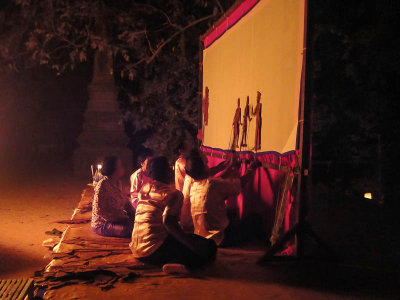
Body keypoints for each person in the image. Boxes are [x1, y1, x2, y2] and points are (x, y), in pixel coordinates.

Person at [130, 156, 217, 274]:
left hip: (136, 249)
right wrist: (191, 245)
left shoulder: (144, 189)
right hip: (155, 250)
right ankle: (182, 264)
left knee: (190, 239)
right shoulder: (173, 194)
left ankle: (176, 259)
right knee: (209, 247)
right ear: (167, 171)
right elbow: (169, 222)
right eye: (169, 168)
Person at [183, 154, 260, 245]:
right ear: (204, 169)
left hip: (201, 237)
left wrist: (231, 167)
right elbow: (241, 183)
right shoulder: (212, 184)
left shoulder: (194, 186)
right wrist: (252, 168)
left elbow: (218, 181)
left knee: (233, 213)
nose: (208, 165)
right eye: (206, 164)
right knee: (255, 219)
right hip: (219, 239)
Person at [92, 156, 135, 238]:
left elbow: (125, 202)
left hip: (118, 219)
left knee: (137, 224)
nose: (123, 168)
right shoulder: (102, 186)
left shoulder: (118, 183)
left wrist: (135, 214)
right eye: (120, 166)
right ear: (114, 170)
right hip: (103, 224)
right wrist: (123, 219)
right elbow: (100, 212)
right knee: (127, 229)